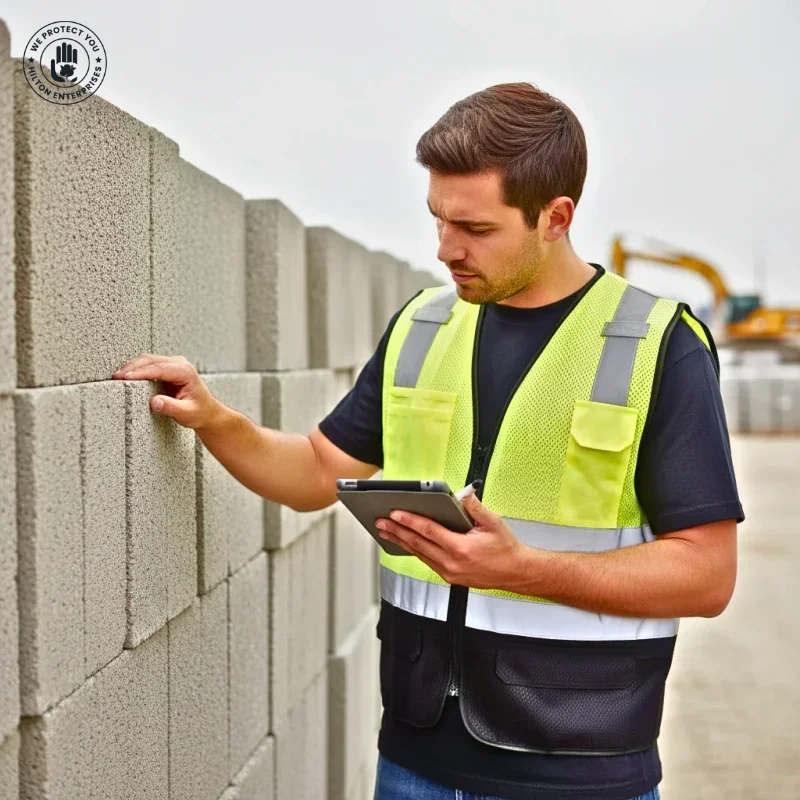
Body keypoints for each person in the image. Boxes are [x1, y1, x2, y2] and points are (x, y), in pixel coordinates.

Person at [113, 82, 742, 800]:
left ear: (555, 218)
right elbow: (318, 471)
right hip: (414, 764)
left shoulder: (658, 346)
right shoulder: (422, 327)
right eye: (438, 220)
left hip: (580, 772)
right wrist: (214, 418)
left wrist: (521, 567)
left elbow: (707, 574)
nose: (446, 249)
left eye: (475, 229)